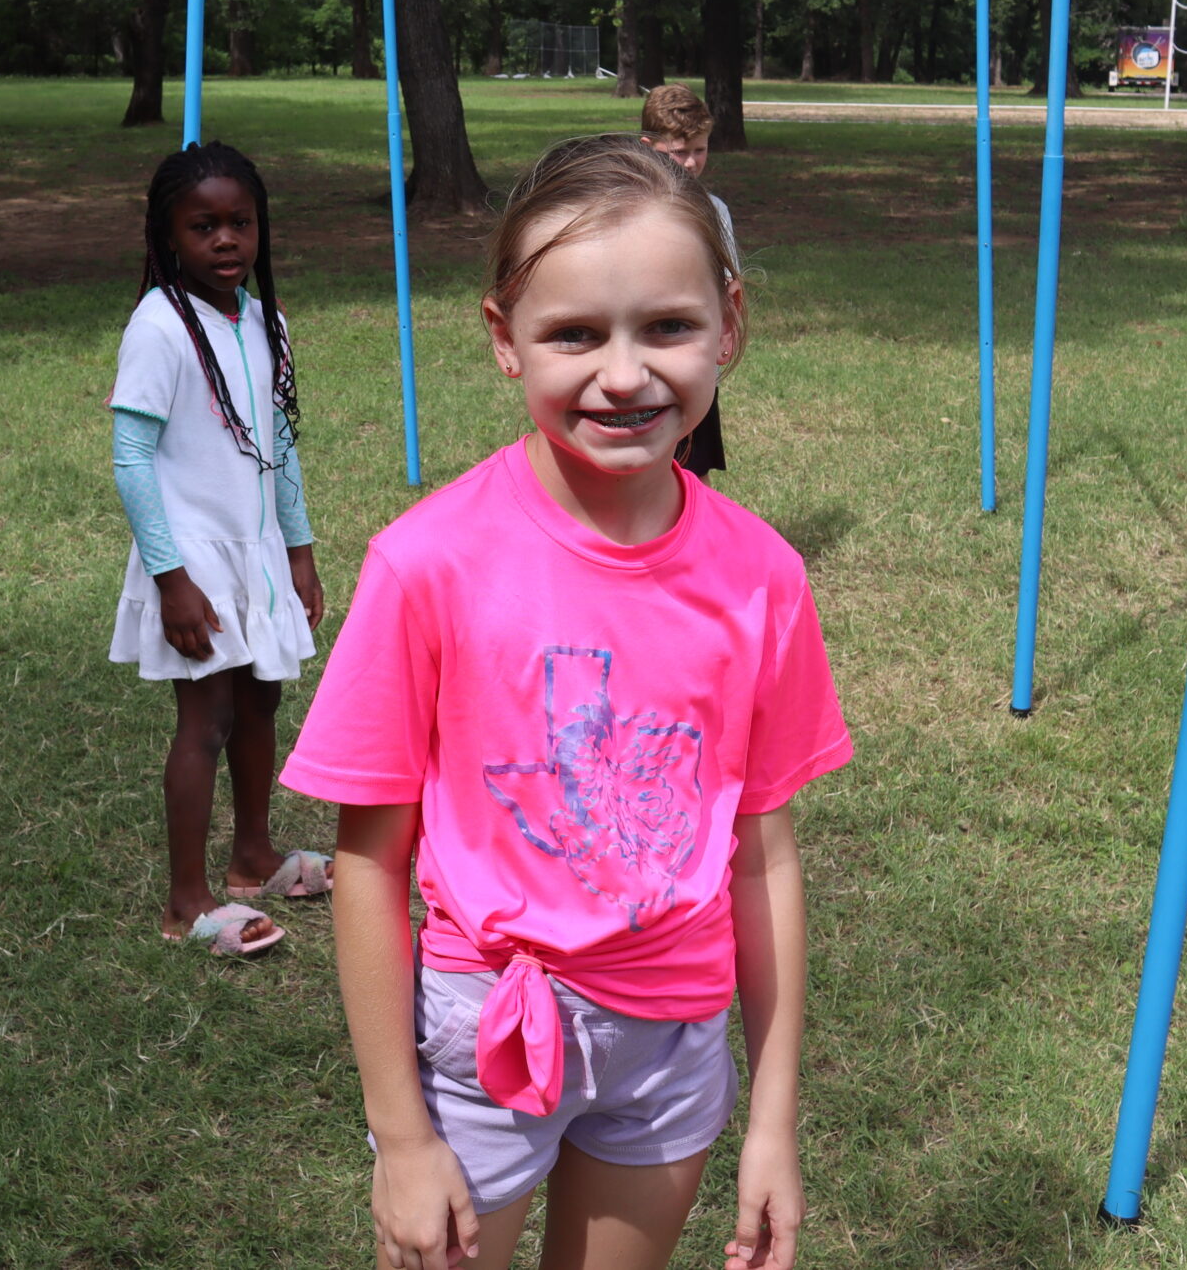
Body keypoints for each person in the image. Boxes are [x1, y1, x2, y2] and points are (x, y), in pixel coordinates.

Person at [283, 137, 850, 1270]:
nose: (626, 374)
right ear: (504, 339)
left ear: (728, 324)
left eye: (668, 327)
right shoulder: (427, 565)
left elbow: (762, 850)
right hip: (481, 1036)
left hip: (673, 1046)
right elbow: (367, 859)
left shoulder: (761, 576)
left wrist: (774, 1122)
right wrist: (400, 1135)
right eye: (575, 333)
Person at [108, 142, 327, 958]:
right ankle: (185, 901)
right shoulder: (160, 324)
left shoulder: (264, 318)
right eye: (205, 226)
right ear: (170, 236)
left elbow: (280, 440)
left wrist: (297, 548)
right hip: (194, 558)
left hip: (257, 549)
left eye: (241, 222)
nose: (227, 240)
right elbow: (132, 458)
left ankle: (253, 856)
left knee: (263, 700)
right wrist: (171, 578)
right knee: (206, 720)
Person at [639, 85, 739, 479]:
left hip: (690, 366)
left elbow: (728, 287)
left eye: (699, 150)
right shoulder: (624, 209)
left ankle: (696, 537)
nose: (691, 162)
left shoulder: (714, 211)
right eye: (678, 153)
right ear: (649, 146)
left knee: (691, 472)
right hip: (642, 365)